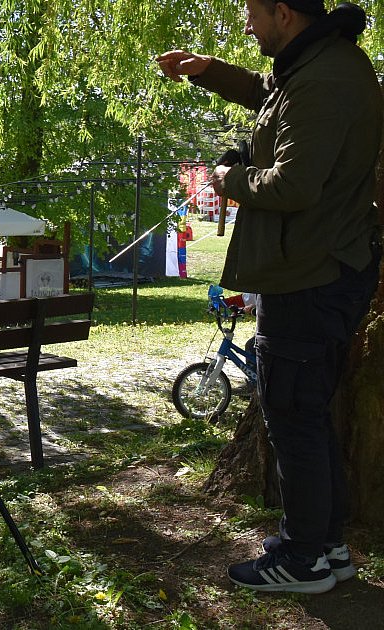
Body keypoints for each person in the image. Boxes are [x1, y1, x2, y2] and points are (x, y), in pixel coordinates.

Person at [157, 0, 382, 594]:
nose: (246, 25)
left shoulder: (326, 77)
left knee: (291, 415)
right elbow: (269, 95)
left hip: (308, 273)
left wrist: (227, 178)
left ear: (283, 12)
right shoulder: (318, 64)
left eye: (252, 13)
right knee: (306, 412)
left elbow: (292, 184)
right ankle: (325, 547)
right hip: (316, 267)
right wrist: (210, 71)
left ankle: (305, 557)